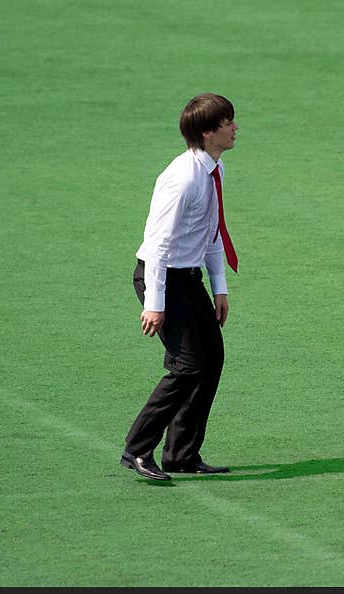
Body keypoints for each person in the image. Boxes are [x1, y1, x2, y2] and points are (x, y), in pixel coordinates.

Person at [121, 93, 239, 480]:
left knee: (211, 360)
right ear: (207, 133)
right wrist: (154, 304)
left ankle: (181, 454)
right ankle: (138, 449)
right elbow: (157, 246)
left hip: (188, 280)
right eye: (227, 123)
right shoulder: (183, 178)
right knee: (188, 366)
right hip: (163, 279)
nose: (235, 128)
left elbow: (212, 233)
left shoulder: (213, 171)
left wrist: (219, 288)